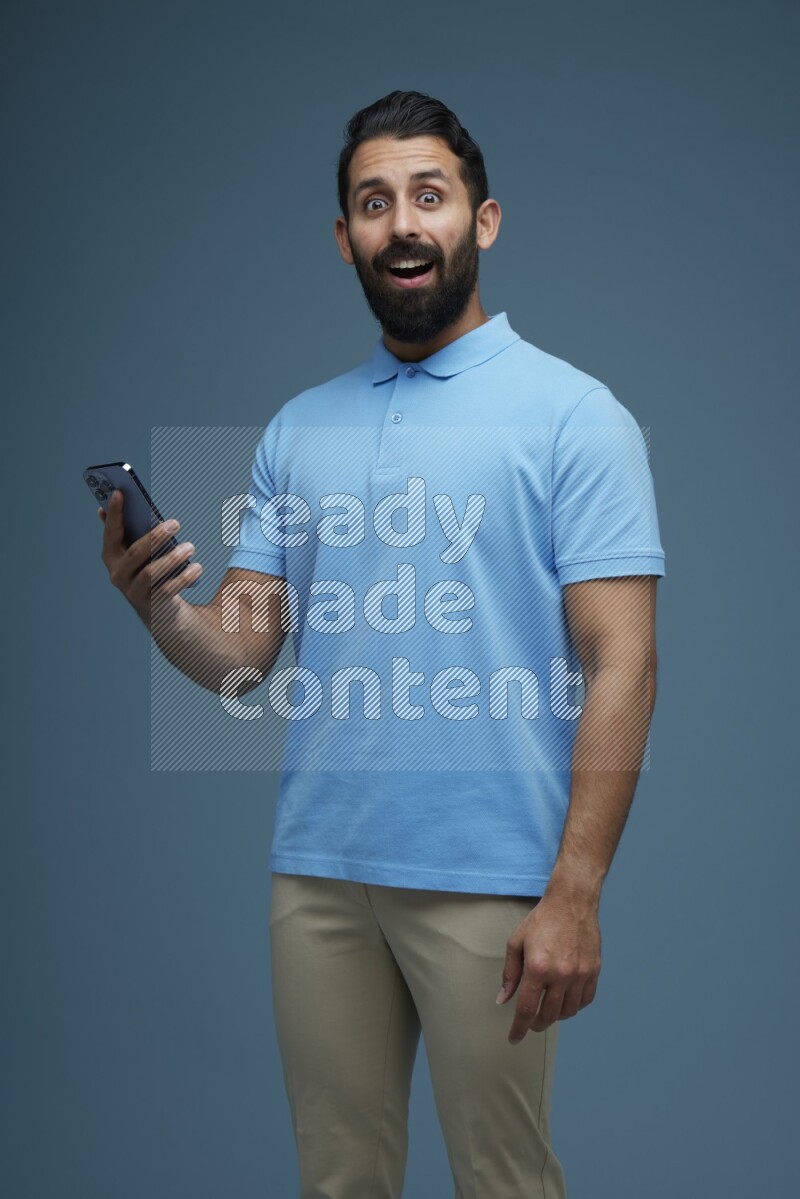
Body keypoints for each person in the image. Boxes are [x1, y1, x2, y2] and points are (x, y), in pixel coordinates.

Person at [99, 90, 665, 1198]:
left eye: (427, 195)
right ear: (343, 237)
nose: (401, 222)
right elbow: (243, 657)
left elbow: (623, 663)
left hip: (492, 879)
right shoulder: (297, 427)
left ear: (480, 220)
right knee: (335, 1180)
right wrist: (160, 606)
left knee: (502, 1180)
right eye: (373, 202)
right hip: (317, 872)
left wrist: (575, 892)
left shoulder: (573, 415)